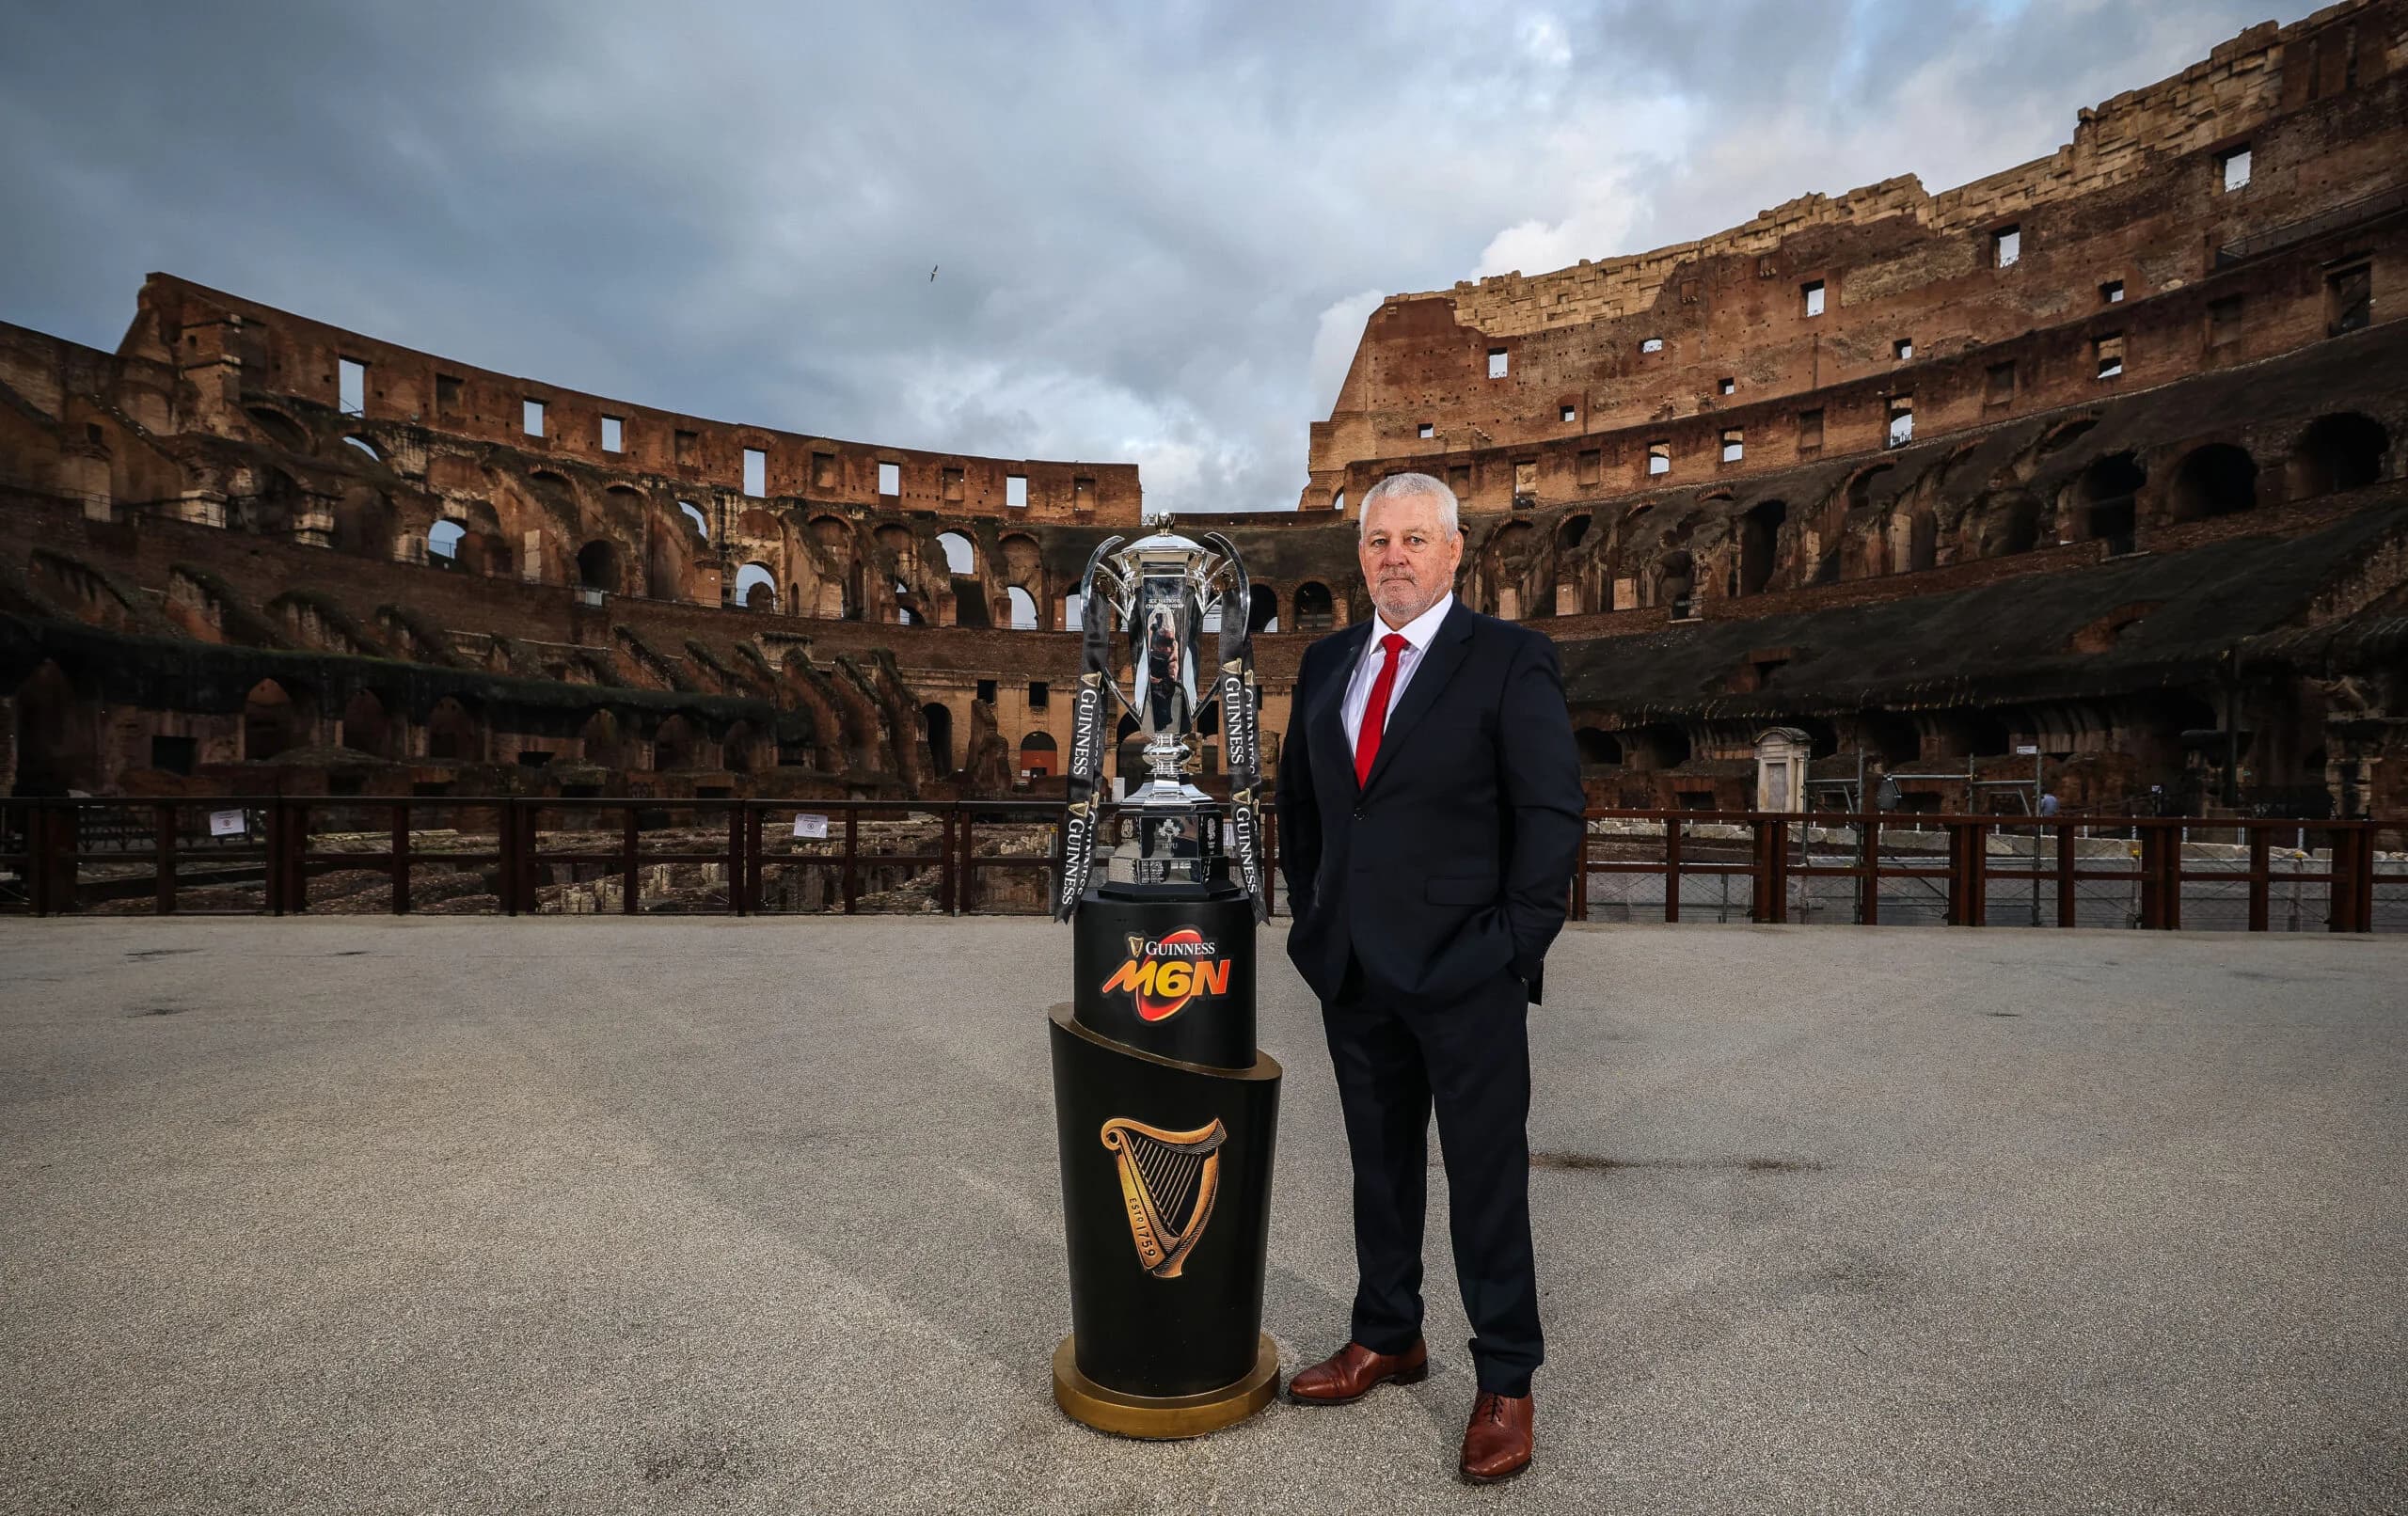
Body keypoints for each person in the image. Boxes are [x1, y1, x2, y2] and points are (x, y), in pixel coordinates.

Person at [1275, 471, 1583, 1484]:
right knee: (1378, 1163)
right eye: (1378, 541)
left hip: (1467, 969)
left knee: (1486, 1175)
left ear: (1455, 552)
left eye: (1414, 539)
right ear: (1359, 556)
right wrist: (1316, 919)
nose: (1393, 557)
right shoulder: (1327, 662)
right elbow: (1304, 809)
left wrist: (1512, 946)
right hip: (1354, 966)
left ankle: (1506, 1377)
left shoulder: (1508, 658)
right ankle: (1387, 1333)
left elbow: (1550, 814)